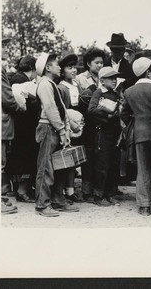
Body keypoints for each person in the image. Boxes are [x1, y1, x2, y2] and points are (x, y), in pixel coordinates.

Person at [34, 52, 79, 217]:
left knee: (59, 166)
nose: (60, 67)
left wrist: (65, 129)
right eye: (57, 64)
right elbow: (51, 109)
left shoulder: (51, 83)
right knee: (46, 168)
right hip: (48, 128)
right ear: (47, 67)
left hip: (54, 128)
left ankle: (58, 201)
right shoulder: (45, 84)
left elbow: (60, 109)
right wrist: (61, 129)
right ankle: (42, 204)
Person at [120, 57, 151, 216]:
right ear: (148, 71)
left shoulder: (129, 92)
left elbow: (124, 114)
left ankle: (144, 206)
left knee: (142, 169)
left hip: (139, 133)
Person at [88, 66, 122, 207]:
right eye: (111, 78)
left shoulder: (115, 94)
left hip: (114, 133)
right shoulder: (98, 93)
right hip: (102, 133)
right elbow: (91, 110)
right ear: (102, 80)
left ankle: (110, 193)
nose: (114, 81)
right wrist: (107, 116)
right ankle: (98, 195)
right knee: (102, 164)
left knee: (114, 164)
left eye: (115, 78)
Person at [8, 55, 39, 203]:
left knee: (21, 157)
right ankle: (22, 191)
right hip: (25, 127)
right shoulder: (22, 80)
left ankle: (22, 189)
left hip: (21, 126)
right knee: (25, 158)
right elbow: (24, 103)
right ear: (32, 69)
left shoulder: (16, 77)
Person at [76, 48, 105, 201]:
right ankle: (86, 190)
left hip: (100, 121)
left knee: (99, 155)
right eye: (96, 63)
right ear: (88, 63)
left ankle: (98, 189)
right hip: (87, 120)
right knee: (87, 154)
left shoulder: (105, 77)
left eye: (101, 62)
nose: (100, 65)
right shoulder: (80, 78)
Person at [57, 53, 84, 203]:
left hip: (77, 122)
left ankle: (71, 189)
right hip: (68, 122)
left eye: (75, 67)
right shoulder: (61, 86)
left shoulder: (75, 85)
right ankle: (62, 191)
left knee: (73, 159)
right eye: (69, 67)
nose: (74, 70)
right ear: (62, 71)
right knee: (64, 158)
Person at [1, 38, 22, 214]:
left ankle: (0, 198)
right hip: (0, 124)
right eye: (2, 46)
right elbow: (7, 98)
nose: (6, 49)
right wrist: (19, 107)